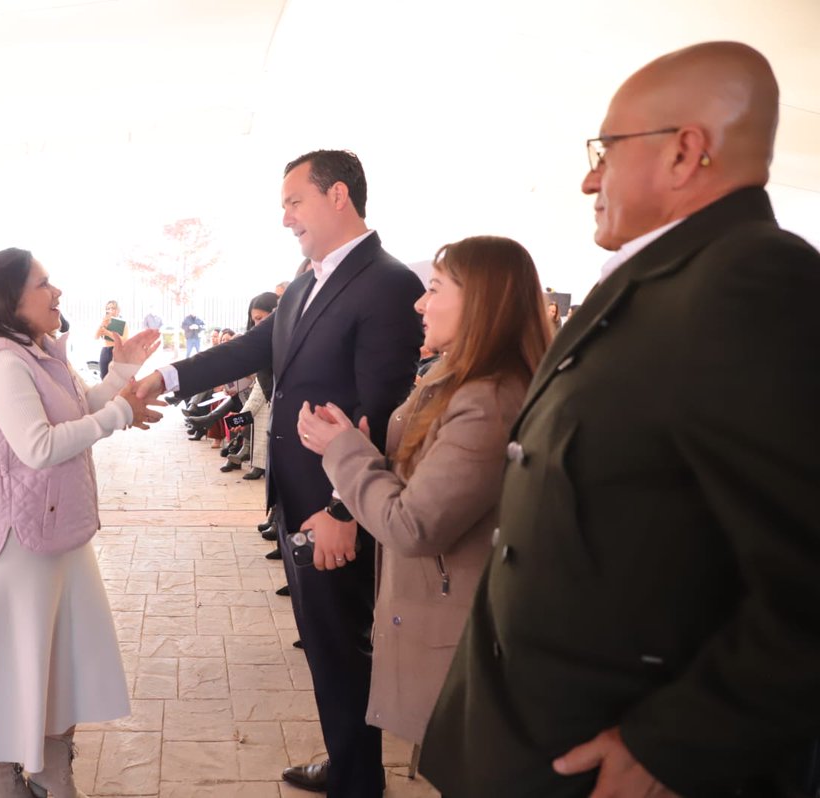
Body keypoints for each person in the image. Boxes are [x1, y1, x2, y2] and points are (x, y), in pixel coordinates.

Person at [422, 42, 820, 797]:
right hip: (531, 739)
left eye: (606, 150)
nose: (587, 178)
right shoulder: (662, 280)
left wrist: (675, 744)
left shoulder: (754, 283)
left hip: (612, 761)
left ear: (684, 153)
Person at [137, 149, 423, 797]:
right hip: (296, 499)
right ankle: (348, 762)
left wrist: (345, 511)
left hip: (335, 507)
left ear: (339, 196)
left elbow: (384, 412)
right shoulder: (307, 282)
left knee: (345, 649)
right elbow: (250, 349)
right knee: (325, 650)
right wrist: (166, 379)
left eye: (295, 201)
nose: (286, 216)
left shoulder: (387, 284)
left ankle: (359, 781)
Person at [295, 235, 549, 756]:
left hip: (460, 636)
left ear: (480, 301)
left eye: (434, 289)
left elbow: (414, 525)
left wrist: (343, 453)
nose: (419, 303)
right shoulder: (459, 379)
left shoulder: (487, 401)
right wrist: (361, 448)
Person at [0, 248, 165, 798]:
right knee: (19, 659)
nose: (57, 292)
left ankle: (50, 771)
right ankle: (4, 774)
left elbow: (80, 407)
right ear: (9, 300)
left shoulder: (39, 351)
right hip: (19, 542)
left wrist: (123, 370)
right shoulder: (5, 361)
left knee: (59, 657)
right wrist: (121, 414)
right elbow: (38, 446)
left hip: (57, 530)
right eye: (44, 283)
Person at [221, 291, 280, 479]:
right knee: (253, 410)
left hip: (279, 402)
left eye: (261, 318)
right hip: (263, 395)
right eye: (255, 320)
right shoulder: (262, 346)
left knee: (254, 409)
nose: (258, 325)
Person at [95, 300, 127, 380]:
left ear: (118, 310)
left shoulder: (123, 324)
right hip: (105, 351)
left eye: (113, 308)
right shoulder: (105, 322)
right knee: (104, 378)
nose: (110, 311)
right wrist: (102, 324)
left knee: (117, 379)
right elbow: (96, 337)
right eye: (108, 308)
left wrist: (107, 333)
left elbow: (123, 340)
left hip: (117, 352)